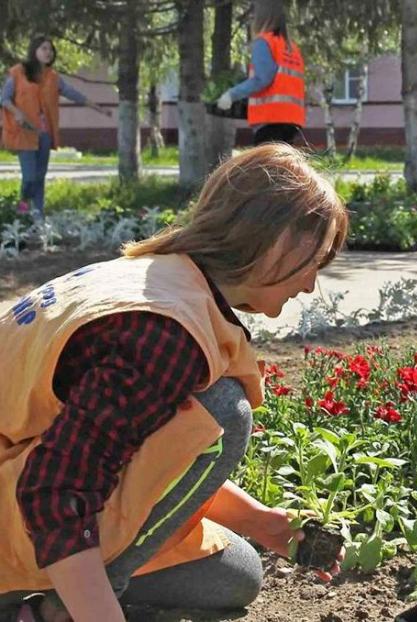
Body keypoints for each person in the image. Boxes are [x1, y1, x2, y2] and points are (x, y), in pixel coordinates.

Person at [0, 143, 348, 622]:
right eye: (314, 260)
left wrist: (260, 524)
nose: (310, 284)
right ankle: (50, 612)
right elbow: (54, 490)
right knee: (224, 413)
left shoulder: (165, 284)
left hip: (18, 489)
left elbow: (139, 455)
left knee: (235, 574)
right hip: (28, 510)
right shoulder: (163, 331)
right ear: (273, 241)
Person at [1, 36, 112, 220]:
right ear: (34, 50)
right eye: (44, 48)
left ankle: (38, 216)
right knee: (29, 178)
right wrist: (17, 112)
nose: (48, 52)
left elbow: (73, 94)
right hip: (24, 133)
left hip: (44, 134)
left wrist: (99, 108)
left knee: (40, 177)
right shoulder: (18, 72)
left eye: (50, 49)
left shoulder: (53, 77)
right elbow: (3, 98)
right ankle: (22, 210)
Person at [216, 4, 306, 146]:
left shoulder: (264, 42)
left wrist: (231, 95)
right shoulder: (291, 47)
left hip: (270, 121)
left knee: (264, 168)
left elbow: (261, 79)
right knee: (281, 167)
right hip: (292, 120)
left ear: (262, 17)